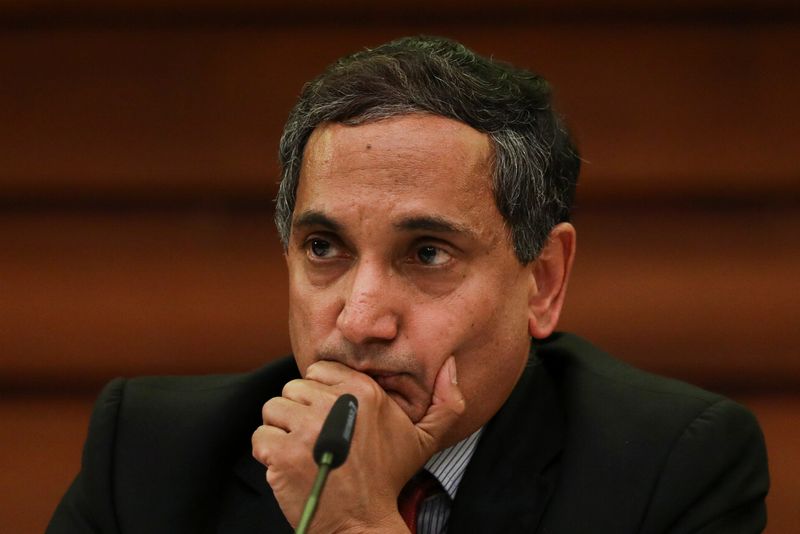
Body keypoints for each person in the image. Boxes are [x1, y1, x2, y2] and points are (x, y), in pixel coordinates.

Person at [48, 36, 769, 533]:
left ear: (543, 282)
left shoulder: (668, 470)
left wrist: (359, 525)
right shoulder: (151, 454)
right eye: (324, 247)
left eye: (427, 254)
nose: (360, 321)